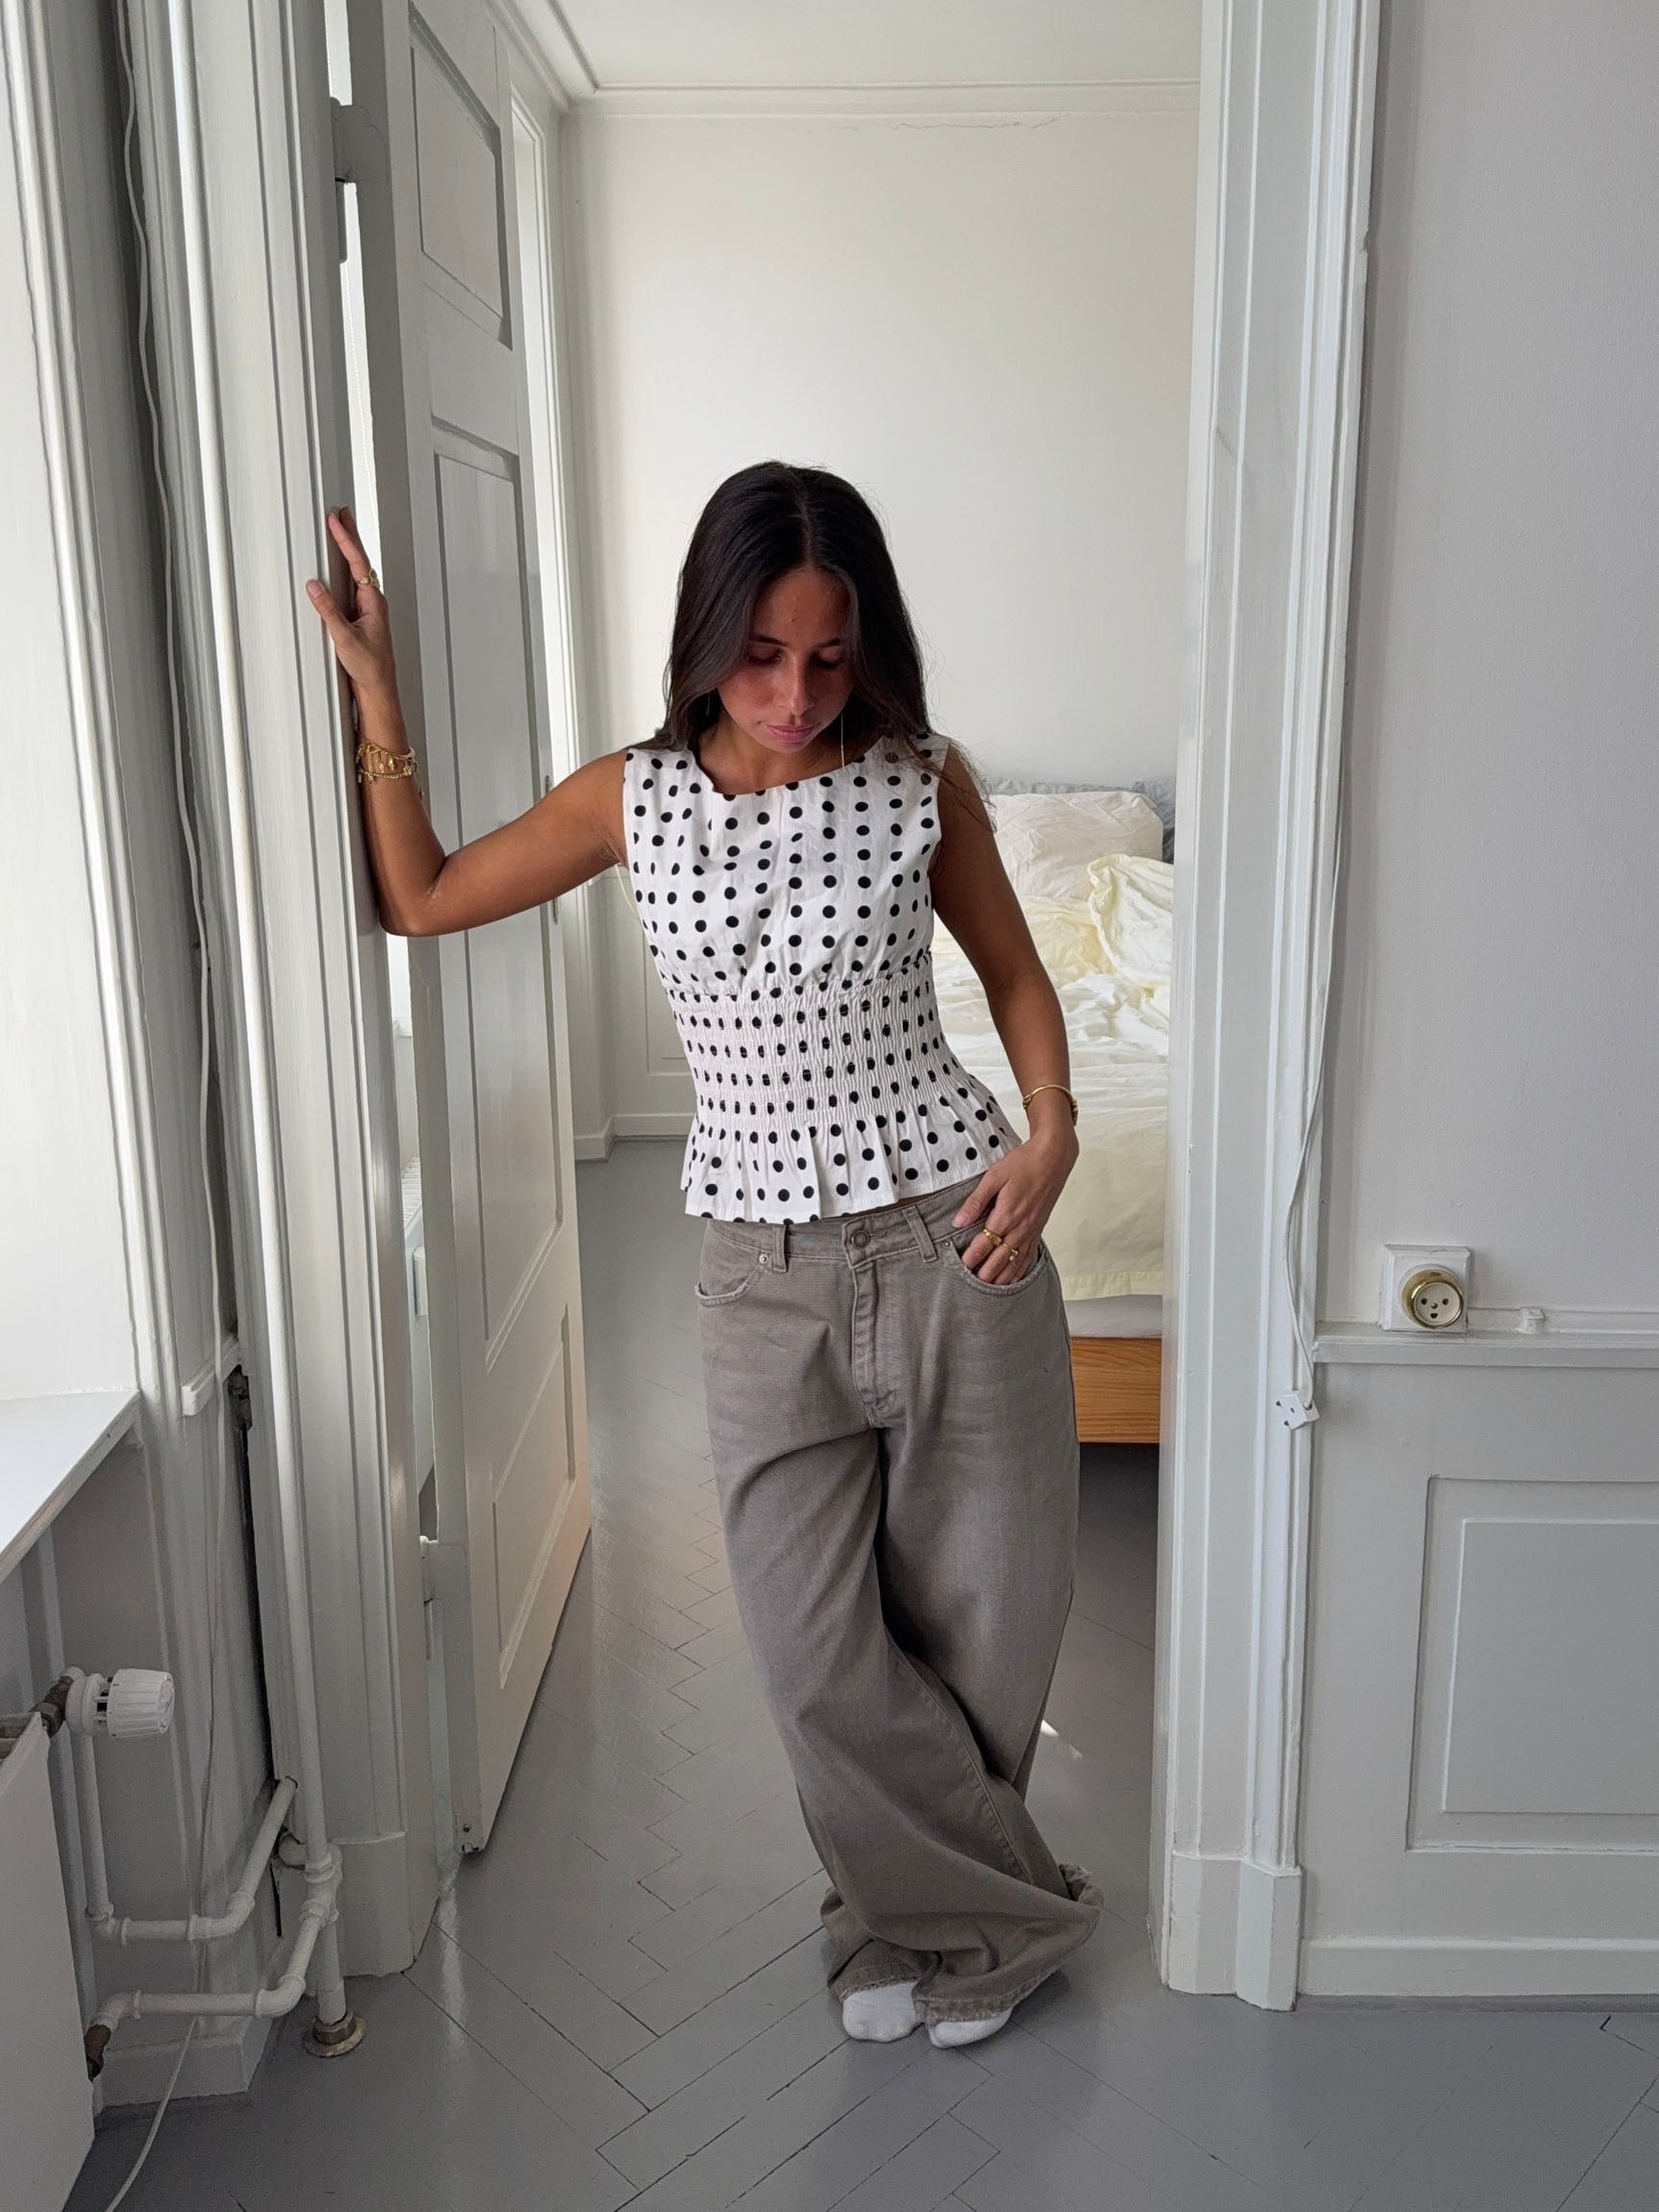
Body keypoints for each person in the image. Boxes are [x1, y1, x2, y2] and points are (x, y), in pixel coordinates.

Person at [306, 460, 1103, 2048]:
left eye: (829, 656)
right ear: (703, 639)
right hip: (757, 1265)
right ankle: (1004, 1922)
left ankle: (920, 1928)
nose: (797, 694)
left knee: (987, 1624)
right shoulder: (634, 797)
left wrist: (1054, 1130)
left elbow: (1014, 976)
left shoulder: (919, 777)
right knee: (812, 1649)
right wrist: (379, 696)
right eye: (760, 656)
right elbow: (423, 895)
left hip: (960, 1234)